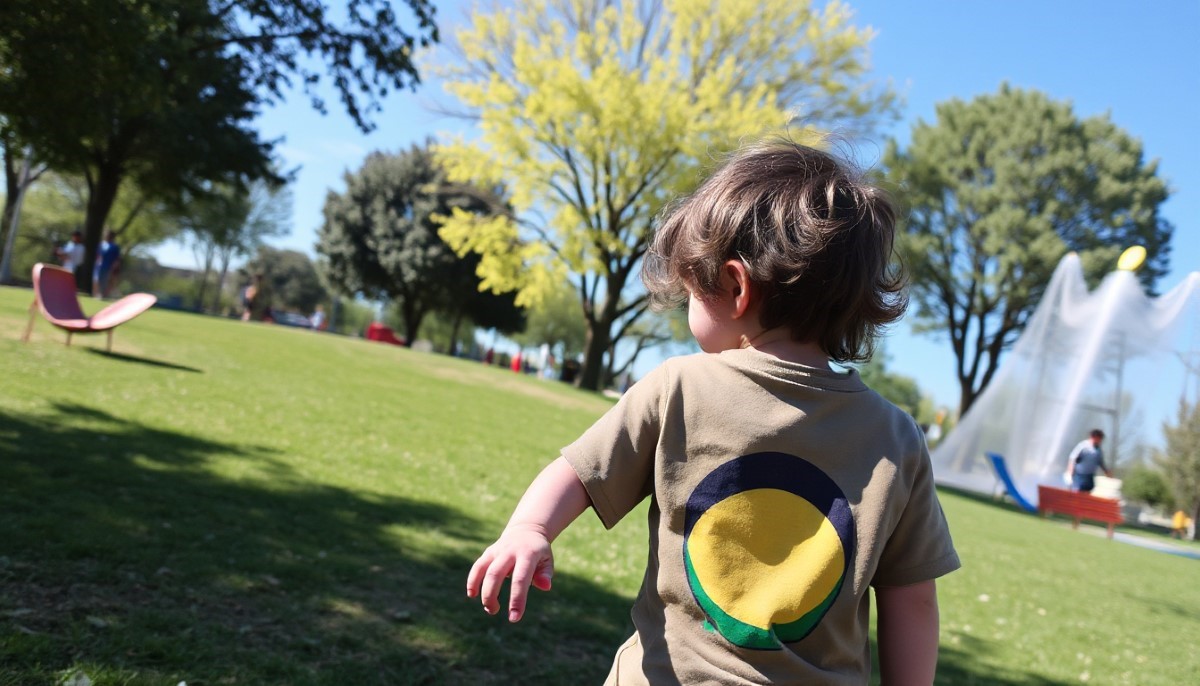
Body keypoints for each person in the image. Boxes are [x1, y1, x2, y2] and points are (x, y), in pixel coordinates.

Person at [467, 139, 961, 684]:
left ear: (734, 285)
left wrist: (530, 528)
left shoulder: (679, 386)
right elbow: (912, 601)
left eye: (690, 291)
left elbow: (580, 473)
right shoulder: (896, 437)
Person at [1067, 429, 1111, 493]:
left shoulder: (1098, 450)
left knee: (1089, 488)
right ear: (1093, 437)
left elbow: (1100, 461)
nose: (1100, 441)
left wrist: (1106, 471)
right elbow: (1072, 458)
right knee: (1079, 489)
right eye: (1099, 439)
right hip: (1079, 474)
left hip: (1090, 475)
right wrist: (1070, 472)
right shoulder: (1083, 446)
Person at [92, 230, 122, 298]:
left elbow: (117, 259)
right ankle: (95, 294)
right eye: (107, 235)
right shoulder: (101, 244)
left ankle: (102, 295)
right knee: (96, 279)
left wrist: (115, 267)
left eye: (109, 235)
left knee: (104, 281)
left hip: (108, 266)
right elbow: (98, 255)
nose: (107, 236)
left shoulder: (115, 247)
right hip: (98, 266)